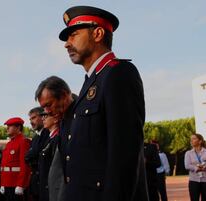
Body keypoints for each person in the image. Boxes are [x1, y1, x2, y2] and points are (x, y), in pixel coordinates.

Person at [58, 5, 148, 200]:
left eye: (73, 35)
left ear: (98, 33)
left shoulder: (118, 73)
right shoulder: (92, 82)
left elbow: (125, 157)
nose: (66, 44)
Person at [35, 76, 75, 201]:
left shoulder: (80, 117)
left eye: (49, 105)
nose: (48, 112)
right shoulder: (64, 121)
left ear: (63, 95)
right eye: (44, 108)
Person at [0, 117, 31, 201]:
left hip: (16, 184)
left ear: (18, 127)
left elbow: (25, 165)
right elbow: (4, 165)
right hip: (7, 183)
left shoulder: (23, 141)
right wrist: (3, 183)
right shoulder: (9, 143)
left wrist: (21, 184)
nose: (7, 128)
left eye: (9, 126)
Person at [24, 107, 49, 201]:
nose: (31, 122)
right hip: (35, 183)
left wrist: (32, 156)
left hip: (45, 182)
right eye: (30, 119)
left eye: (34, 118)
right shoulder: (35, 137)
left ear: (43, 116)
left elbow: (36, 156)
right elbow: (27, 157)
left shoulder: (48, 133)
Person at [37, 110, 60, 201]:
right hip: (45, 186)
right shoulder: (50, 138)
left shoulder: (57, 138)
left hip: (51, 187)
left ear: (55, 119)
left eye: (46, 116)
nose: (43, 119)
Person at [185, 133, 206, 201]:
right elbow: (187, 165)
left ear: (200, 141)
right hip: (193, 181)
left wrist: (205, 167)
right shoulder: (188, 153)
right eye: (191, 139)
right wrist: (197, 168)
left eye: (194, 139)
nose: (191, 140)